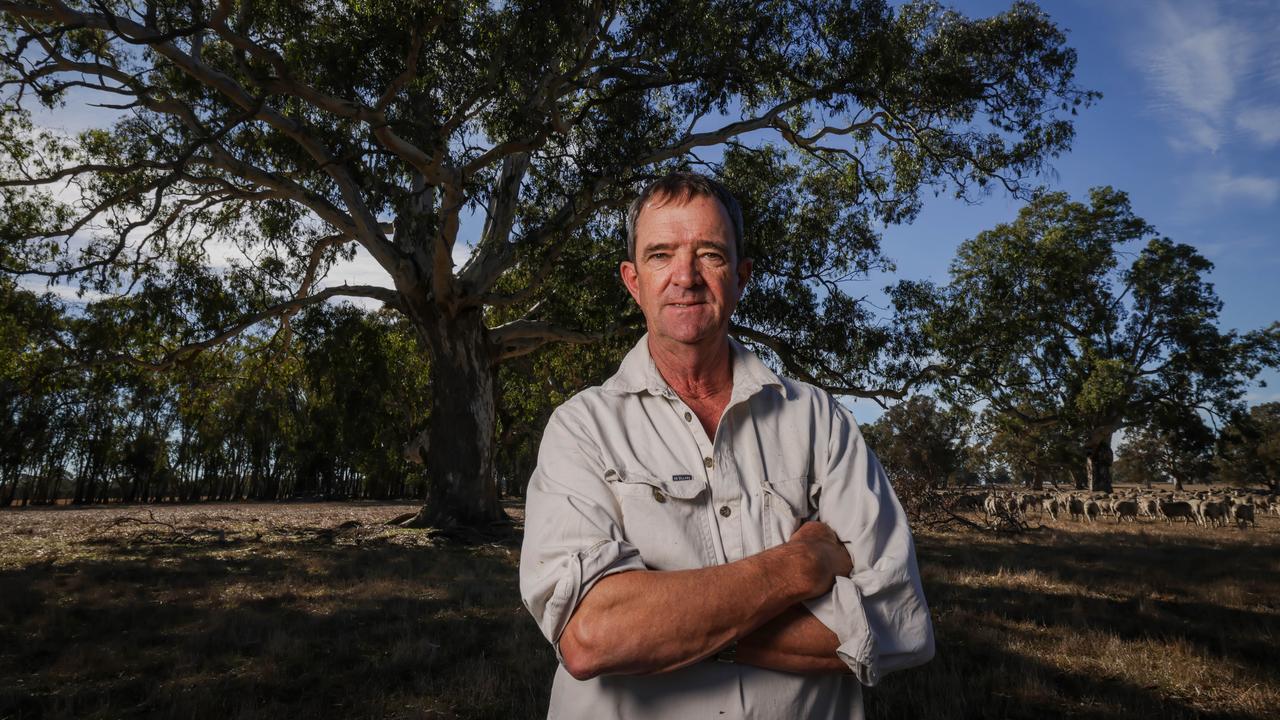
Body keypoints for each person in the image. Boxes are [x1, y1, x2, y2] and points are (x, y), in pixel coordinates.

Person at [519, 172, 934, 719]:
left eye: (709, 255)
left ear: (741, 276)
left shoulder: (817, 420)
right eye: (661, 255)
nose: (685, 277)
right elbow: (594, 635)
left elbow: (899, 622)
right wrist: (799, 566)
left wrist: (670, 631)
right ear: (632, 280)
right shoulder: (581, 428)